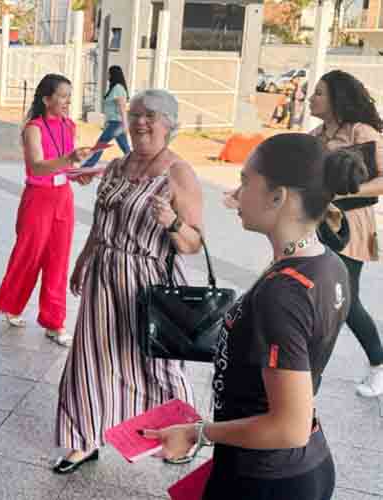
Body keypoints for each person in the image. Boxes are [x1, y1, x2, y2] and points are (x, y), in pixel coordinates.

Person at [147, 133, 363, 500]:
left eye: (247, 182)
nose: (236, 193)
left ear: (278, 197)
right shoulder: (328, 263)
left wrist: (198, 433)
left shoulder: (283, 294)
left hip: (266, 479)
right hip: (301, 463)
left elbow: (288, 427)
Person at [52, 89, 204, 473]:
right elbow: (103, 222)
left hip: (148, 280)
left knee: (159, 366)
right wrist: (84, 260)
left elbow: (193, 243)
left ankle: (182, 437)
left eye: (151, 115)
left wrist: (171, 221)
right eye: (135, 114)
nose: (140, 122)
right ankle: (81, 441)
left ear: (170, 125)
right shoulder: (118, 166)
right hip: (104, 273)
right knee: (90, 358)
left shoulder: (178, 172)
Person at [0, 73, 94, 347]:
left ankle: (54, 322)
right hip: (38, 198)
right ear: (46, 99)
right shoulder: (33, 129)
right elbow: (37, 166)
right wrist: (68, 160)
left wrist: (80, 174)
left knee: (58, 259)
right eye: (62, 96)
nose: (67, 102)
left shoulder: (69, 126)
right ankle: (12, 305)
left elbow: (66, 168)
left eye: (69, 97)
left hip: (63, 197)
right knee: (30, 254)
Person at [309, 69, 383, 397]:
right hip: (320, 221)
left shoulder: (360, 131)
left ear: (337, 99)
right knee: (316, 293)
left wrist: (344, 194)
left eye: (319, 93)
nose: (312, 98)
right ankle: (305, 371)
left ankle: (379, 365)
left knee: (345, 299)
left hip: (351, 224)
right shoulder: (318, 134)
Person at [84, 65, 131, 166]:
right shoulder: (114, 88)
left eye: (109, 73)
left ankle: (87, 166)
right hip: (113, 122)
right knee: (124, 147)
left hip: (116, 123)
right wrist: (107, 122)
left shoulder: (118, 88)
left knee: (101, 144)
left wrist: (125, 124)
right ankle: (136, 164)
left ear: (114, 74)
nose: (108, 75)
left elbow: (122, 107)